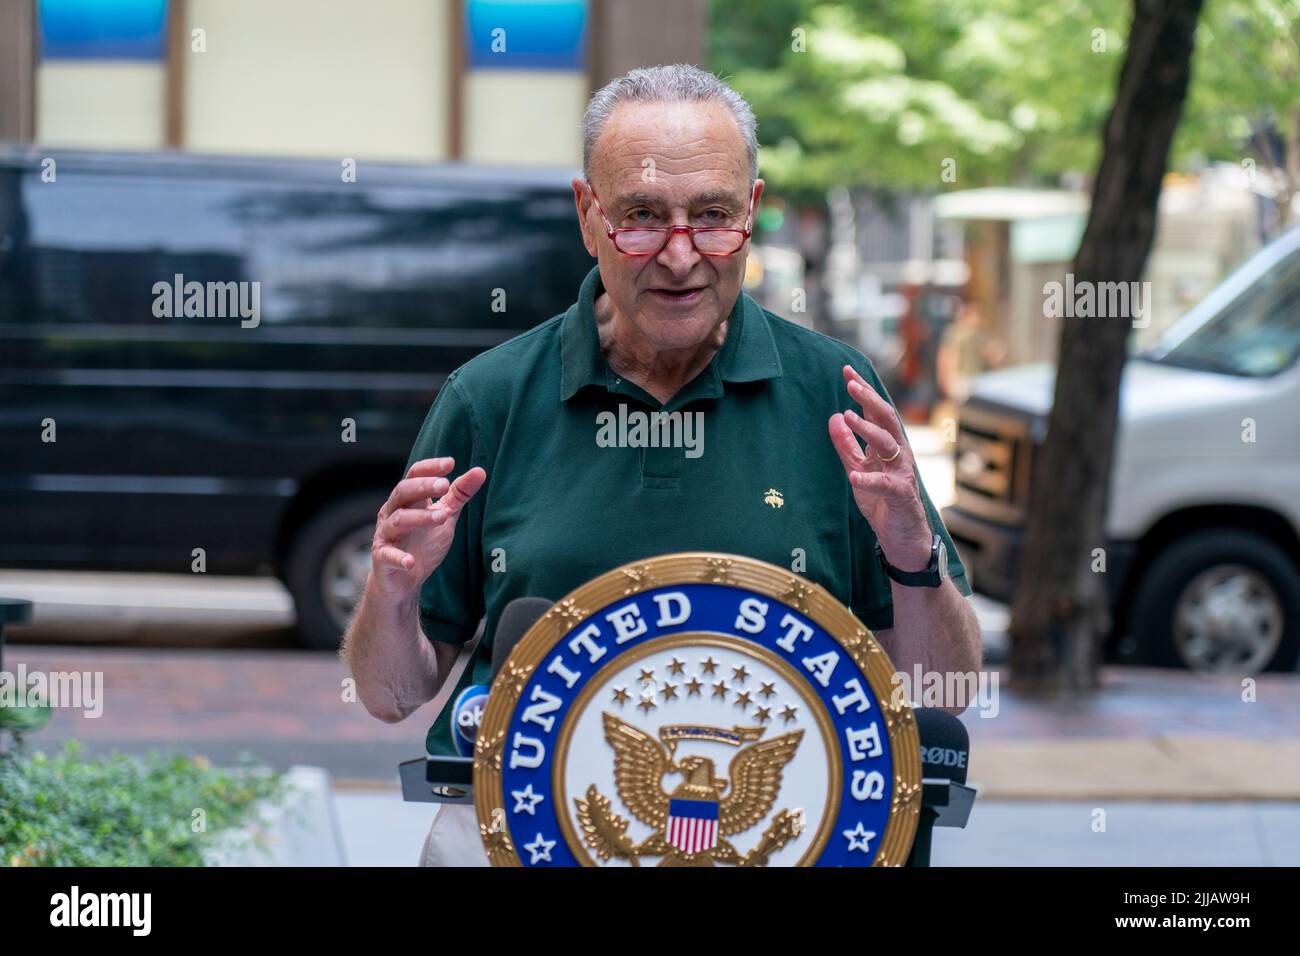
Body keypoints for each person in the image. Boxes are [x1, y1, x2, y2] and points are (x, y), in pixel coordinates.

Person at [342, 64, 982, 866]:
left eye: (711, 216)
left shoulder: (835, 394)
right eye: (642, 217)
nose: (681, 256)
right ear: (587, 215)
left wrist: (911, 553)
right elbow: (390, 695)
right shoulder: (489, 400)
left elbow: (943, 694)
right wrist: (392, 592)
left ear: (752, 212)